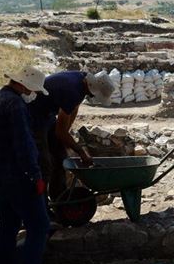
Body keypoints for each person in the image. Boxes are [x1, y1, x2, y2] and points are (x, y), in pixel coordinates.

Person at [0, 65, 62, 264]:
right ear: (24, 85)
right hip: (19, 180)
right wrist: (36, 178)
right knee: (39, 228)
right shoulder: (15, 106)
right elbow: (24, 146)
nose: (32, 94)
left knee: (7, 231)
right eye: (32, 89)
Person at [28, 71, 115, 200]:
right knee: (44, 164)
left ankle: (59, 199)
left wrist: (65, 136)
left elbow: (73, 110)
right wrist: (81, 152)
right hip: (33, 116)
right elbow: (60, 132)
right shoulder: (72, 91)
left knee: (61, 156)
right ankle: (41, 205)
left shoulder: (81, 81)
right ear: (94, 89)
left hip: (47, 114)